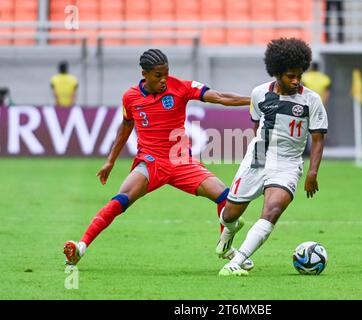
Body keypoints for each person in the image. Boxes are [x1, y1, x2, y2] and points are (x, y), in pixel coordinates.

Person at [63, 49, 254, 270]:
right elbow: (126, 127)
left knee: (225, 197)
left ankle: (226, 248)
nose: (163, 80)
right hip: (151, 162)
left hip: (181, 162)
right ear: (144, 74)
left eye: (166, 73)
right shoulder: (130, 97)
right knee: (119, 201)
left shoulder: (181, 87)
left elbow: (219, 97)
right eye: (157, 75)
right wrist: (110, 161)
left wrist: (253, 100)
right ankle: (80, 248)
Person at [216, 38, 328, 276]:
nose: (296, 81)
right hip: (258, 156)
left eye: (299, 75)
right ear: (276, 73)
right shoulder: (259, 94)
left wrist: (312, 171)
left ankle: (237, 261)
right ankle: (226, 239)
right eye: (290, 76)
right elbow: (257, 127)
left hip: (288, 163)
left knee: (273, 210)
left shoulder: (311, 100)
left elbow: (318, 137)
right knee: (229, 215)